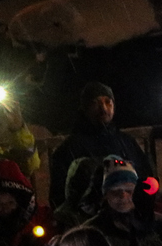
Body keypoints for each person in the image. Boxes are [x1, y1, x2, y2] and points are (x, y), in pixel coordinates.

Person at [46, 82, 151, 211]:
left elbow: (146, 177)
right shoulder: (69, 148)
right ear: (85, 108)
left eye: (108, 102)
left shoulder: (127, 142)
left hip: (128, 217)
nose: (103, 108)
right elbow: (59, 196)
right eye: (95, 103)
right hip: (88, 221)